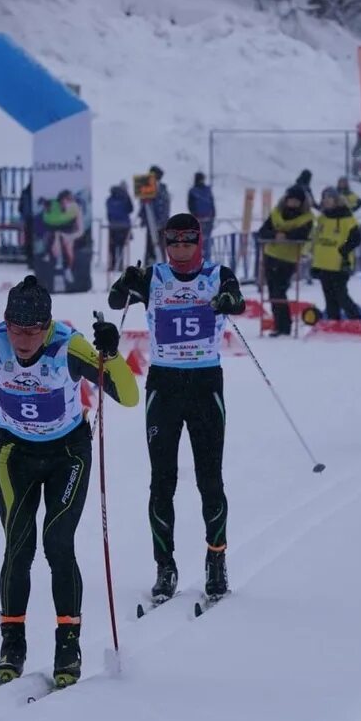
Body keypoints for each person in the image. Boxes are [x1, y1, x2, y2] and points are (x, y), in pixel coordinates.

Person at [0, 276, 139, 687]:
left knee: (58, 541)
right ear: (6, 322)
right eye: (16, 329)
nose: (23, 340)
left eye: (32, 331)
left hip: (68, 454)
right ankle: (12, 644)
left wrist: (111, 355)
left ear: (47, 326)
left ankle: (68, 645)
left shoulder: (69, 346)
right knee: (18, 546)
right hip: (15, 454)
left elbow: (128, 397)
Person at [107, 213, 247, 604]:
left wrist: (228, 300)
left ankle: (216, 560)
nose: (181, 250)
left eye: (187, 242)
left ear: (199, 242)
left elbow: (238, 301)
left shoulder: (217, 275)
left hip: (205, 385)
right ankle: (164, 567)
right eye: (174, 243)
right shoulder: (153, 277)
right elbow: (116, 301)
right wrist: (125, 281)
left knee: (210, 479)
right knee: (161, 481)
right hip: (165, 386)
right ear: (166, 243)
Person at [256, 186, 314, 336]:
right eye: (291, 200)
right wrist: (275, 235)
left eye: (296, 201)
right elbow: (263, 231)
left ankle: (285, 325)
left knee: (279, 291)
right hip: (271, 255)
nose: (293, 203)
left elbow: (302, 234)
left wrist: (286, 236)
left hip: (288, 259)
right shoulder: (276, 213)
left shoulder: (307, 218)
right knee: (272, 292)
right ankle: (278, 324)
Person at [310, 187, 361, 320]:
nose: (326, 201)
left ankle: (356, 320)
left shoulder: (347, 217)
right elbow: (316, 239)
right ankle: (334, 322)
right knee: (329, 297)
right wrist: (313, 261)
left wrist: (343, 249)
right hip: (323, 264)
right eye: (324, 198)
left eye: (329, 198)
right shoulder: (322, 218)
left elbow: (356, 238)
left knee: (341, 296)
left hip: (339, 264)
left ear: (336, 200)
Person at [141, 165, 171, 264]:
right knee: (151, 247)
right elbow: (144, 206)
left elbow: (164, 207)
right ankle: (150, 265)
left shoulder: (162, 189)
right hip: (152, 223)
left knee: (160, 246)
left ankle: (161, 265)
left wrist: (160, 222)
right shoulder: (149, 188)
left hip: (160, 224)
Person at [105, 182, 134, 271]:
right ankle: (120, 264)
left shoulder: (109, 199)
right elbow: (130, 209)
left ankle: (112, 264)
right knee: (121, 245)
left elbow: (108, 213)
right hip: (124, 225)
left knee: (112, 246)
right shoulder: (125, 198)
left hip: (113, 225)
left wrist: (112, 221)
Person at [187, 172, 216, 260]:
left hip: (200, 219)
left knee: (200, 240)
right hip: (206, 219)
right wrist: (212, 216)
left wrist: (194, 215)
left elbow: (190, 205)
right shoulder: (206, 190)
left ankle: (200, 259)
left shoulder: (193, 191)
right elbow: (212, 204)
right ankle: (205, 258)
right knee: (205, 240)